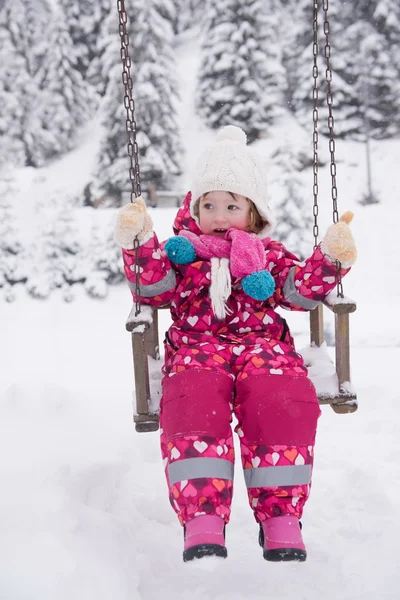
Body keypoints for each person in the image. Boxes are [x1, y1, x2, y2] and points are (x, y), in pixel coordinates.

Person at [114, 126, 357, 563]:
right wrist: (138, 244)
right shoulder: (181, 253)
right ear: (195, 208)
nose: (220, 214)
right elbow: (153, 288)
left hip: (264, 347)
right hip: (195, 346)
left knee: (281, 398)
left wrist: (330, 259)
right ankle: (203, 516)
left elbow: (298, 291)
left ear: (253, 211)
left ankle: (281, 516)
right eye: (210, 205)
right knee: (193, 402)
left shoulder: (267, 254)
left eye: (232, 205)